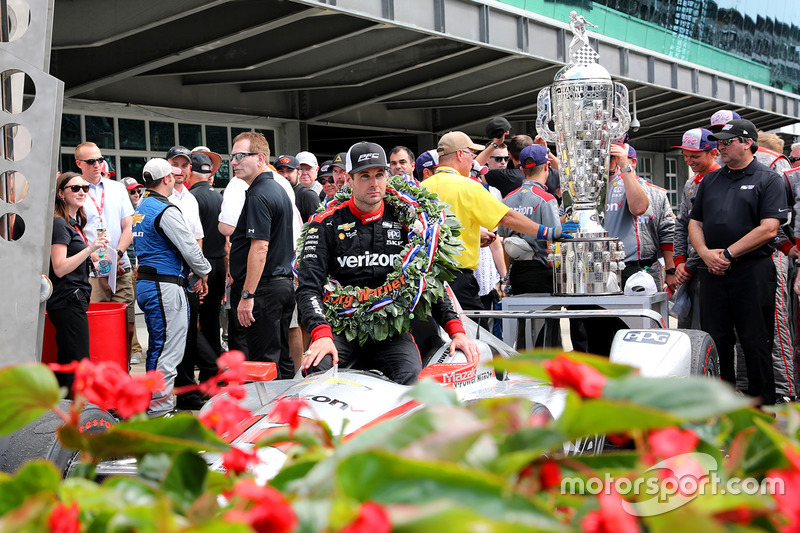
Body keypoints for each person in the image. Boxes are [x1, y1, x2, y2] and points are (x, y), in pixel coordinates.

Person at [297, 142, 479, 384]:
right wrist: (320, 333)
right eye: (365, 176)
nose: (374, 183)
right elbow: (309, 287)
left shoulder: (409, 217)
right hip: (339, 327)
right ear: (348, 180)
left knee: (414, 380)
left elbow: (428, 279)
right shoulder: (325, 223)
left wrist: (456, 331)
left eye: (380, 174)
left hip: (392, 332)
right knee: (316, 371)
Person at [689, 119, 788, 405]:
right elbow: (695, 222)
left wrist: (729, 254)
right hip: (713, 270)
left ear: (747, 143)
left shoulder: (768, 178)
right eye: (718, 141)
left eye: (727, 141)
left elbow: (769, 228)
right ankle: (724, 409)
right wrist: (706, 253)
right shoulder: (711, 179)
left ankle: (762, 411)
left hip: (751, 271)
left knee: (755, 342)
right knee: (717, 342)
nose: (720, 146)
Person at [422, 131, 577, 310]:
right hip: (458, 279)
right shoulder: (469, 186)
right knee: (475, 332)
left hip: (426, 279)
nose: (473, 161)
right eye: (471, 155)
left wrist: (473, 236)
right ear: (459, 154)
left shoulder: (422, 187)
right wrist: (547, 231)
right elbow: (506, 217)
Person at [133, 158, 211, 416]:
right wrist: (204, 272)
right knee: (167, 349)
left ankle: (154, 406)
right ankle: (159, 410)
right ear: (167, 179)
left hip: (149, 283)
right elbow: (190, 247)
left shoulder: (141, 205)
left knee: (158, 346)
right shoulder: (165, 209)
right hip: (164, 285)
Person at [228, 132, 296, 379]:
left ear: (259, 158)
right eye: (232, 156)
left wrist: (247, 295)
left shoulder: (259, 194)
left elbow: (260, 248)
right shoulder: (277, 188)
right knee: (281, 358)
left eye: (239, 156)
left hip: (265, 289)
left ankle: (271, 416)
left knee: (263, 365)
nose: (234, 162)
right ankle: (287, 412)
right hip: (280, 285)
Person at [74, 142, 136, 362]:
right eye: (91, 162)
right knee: (96, 327)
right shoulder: (75, 191)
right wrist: (100, 260)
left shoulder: (117, 188)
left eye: (100, 160)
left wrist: (116, 255)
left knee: (127, 327)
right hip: (92, 270)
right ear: (79, 163)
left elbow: (129, 226)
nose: (97, 165)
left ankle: (124, 371)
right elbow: (75, 231)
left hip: (121, 266)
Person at [48, 172, 108, 392]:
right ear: (61, 193)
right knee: (79, 362)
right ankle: (76, 416)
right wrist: (91, 249)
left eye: (84, 188)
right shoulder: (59, 224)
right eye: (75, 188)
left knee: (68, 361)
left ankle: (62, 415)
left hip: (72, 299)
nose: (82, 191)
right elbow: (60, 267)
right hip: (67, 300)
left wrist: (93, 257)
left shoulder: (72, 224)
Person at [499, 144, 561, 347]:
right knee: (547, 333)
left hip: (518, 274)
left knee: (523, 331)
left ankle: (521, 374)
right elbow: (554, 242)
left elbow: (504, 242)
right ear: (547, 167)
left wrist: (506, 277)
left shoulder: (507, 200)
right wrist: (562, 281)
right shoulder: (546, 199)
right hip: (544, 273)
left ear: (522, 169)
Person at [672, 128, 720, 329]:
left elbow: (712, 230)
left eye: (695, 156)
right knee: (687, 329)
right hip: (691, 270)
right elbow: (682, 223)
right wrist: (679, 261)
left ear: (713, 153)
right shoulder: (691, 183)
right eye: (685, 156)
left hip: (711, 266)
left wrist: (689, 265)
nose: (689, 161)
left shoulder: (721, 181)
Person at [122, 176, 145, 365]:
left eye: (138, 190)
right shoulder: (123, 213)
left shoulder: (143, 209)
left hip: (141, 267)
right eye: (131, 191)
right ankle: (134, 349)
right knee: (129, 311)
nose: (136, 194)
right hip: (127, 267)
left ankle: (136, 349)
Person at [274, 154, 321, 222]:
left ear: (299, 173)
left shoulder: (307, 195)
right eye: (281, 171)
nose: (285, 175)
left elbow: (317, 226)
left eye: (289, 171)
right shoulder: (275, 194)